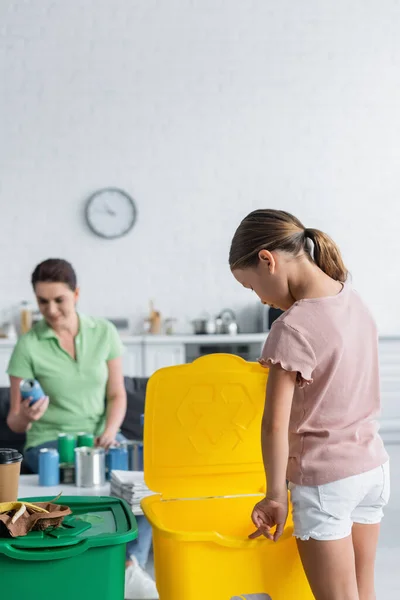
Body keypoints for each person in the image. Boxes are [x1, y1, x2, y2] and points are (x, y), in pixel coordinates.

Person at [229, 210, 389, 600]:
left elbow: (273, 425)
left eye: (252, 287)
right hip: (372, 470)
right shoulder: (352, 298)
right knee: (363, 593)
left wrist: (273, 496)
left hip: (325, 482)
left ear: (268, 260)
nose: (261, 298)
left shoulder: (291, 327)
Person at [6, 258, 157, 600]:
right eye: (43, 301)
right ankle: (76, 565)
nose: (51, 309)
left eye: (59, 299)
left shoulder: (103, 332)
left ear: (76, 294)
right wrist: (28, 417)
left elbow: (118, 394)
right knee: (77, 479)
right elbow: (14, 419)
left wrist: (110, 429)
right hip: (47, 441)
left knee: (146, 483)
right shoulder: (28, 345)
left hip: (100, 436)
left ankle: (130, 564)